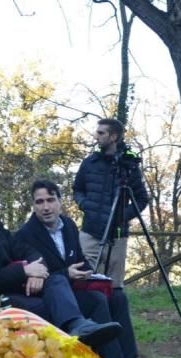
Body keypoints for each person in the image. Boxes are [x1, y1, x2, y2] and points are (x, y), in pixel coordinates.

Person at [15, 179, 155, 358]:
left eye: (51, 200)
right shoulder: (25, 235)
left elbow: (79, 259)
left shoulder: (69, 225)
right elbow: (40, 274)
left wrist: (88, 271)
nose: (46, 207)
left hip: (75, 286)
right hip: (52, 295)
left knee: (117, 296)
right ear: (33, 206)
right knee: (97, 299)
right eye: (39, 202)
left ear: (60, 201)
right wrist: (67, 273)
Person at [0, 177, 121, 347]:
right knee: (53, 303)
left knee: (104, 296)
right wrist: (25, 272)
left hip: (30, 286)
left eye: (51, 200)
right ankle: (73, 345)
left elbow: (25, 250)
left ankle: (89, 336)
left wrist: (36, 268)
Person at [73, 118, 149, 289]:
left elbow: (141, 198)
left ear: (113, 136)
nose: (96, 136)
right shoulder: (89, 163)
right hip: (90, 230)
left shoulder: (128, 166)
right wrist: (85, 205)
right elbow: (77, 189)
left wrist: (122, 216)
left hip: (117, 234)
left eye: (101, 133)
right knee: (82, 279)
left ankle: (113, 315)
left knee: (114, 285)